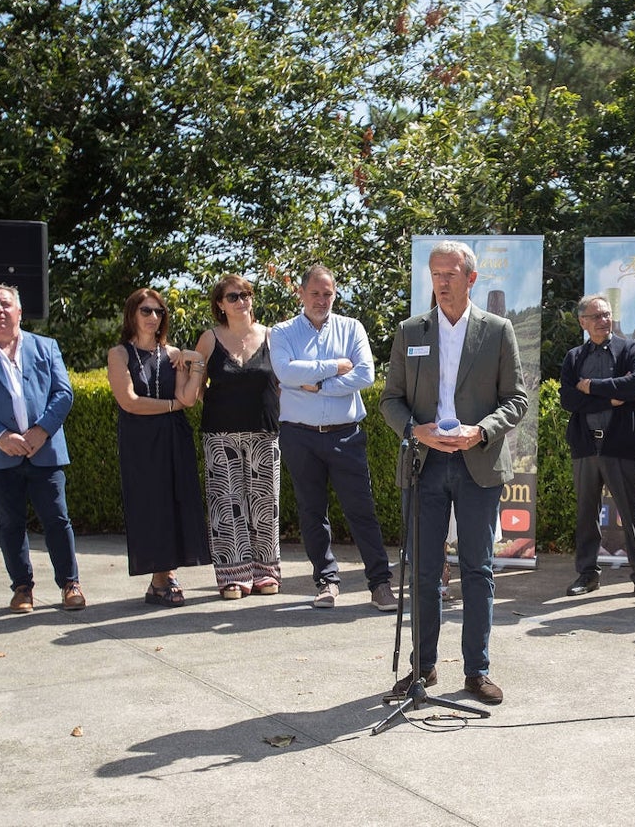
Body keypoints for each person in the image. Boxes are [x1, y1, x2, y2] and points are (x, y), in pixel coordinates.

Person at [380, 240, 528, 705]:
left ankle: (477, 671)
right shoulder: (411, 330)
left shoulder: (498, 330)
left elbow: (517, 400)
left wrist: (481, 431)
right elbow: (390, 400)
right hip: (424, 464)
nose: (441, 283)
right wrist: (414, 429)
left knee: (478, 570)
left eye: (450, 274)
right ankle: (422, 669)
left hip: (477, 463)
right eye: (435, 274)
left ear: (471, 278)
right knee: (423, 572)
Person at [271, 265, 396, 611]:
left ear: (335, 294)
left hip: (345, 435)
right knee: (312, 512)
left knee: (362, 511)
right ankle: (326, 581)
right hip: (299, 436)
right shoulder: (282, 332)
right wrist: (335, 366)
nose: (321, 300)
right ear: (301, 293)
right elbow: (284, 371)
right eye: (315, 293)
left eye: (328, 294)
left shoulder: (351, 328)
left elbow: (366, 374)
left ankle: (380, 585)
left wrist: (316, 385)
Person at [0, 285, 84, 613]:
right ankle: (22, 588)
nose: (0, 310)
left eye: (6, 304)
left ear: (20, 312)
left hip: (46, 450)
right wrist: (1, 437)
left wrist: (42, 431)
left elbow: (63, 393)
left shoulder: (46, 346)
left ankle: (70, 584)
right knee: (11, 523)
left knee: (57, 519)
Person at [108, 289, 210, 606]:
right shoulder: (119, 354)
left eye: (159, 312)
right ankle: (160, 576)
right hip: (139, 440)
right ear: (132, 315)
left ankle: (165, 576)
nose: (154, 317)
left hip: (173, 436)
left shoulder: (172, 353)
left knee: (176, 502)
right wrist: (170, 406)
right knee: (149, 505)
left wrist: (195, 361)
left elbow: (189, 399)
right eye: (146, 311)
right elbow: (130, 402)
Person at [559, 294, 635, 600]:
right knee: (586, 513)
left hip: (620, 444)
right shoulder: (574, 357)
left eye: (607, 314)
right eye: (597, 316)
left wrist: (591, 387)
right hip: (586, 446)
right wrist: (610, 395)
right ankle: (587, 575)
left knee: (632, 512)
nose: (604, 320)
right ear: (583, 322)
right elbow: (567, 399)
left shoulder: (630, 349)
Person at [189, 275, 282, 600]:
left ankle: (266, 571)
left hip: (264, 433)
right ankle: (233, 575)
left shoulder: (272, 336)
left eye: (245, 294)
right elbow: (197, 390)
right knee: (226, 505)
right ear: (220, 304)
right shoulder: (209, 339)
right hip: (220, 434)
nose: (241, 300)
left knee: (264, 504)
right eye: (233, 296)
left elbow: (283, 385)